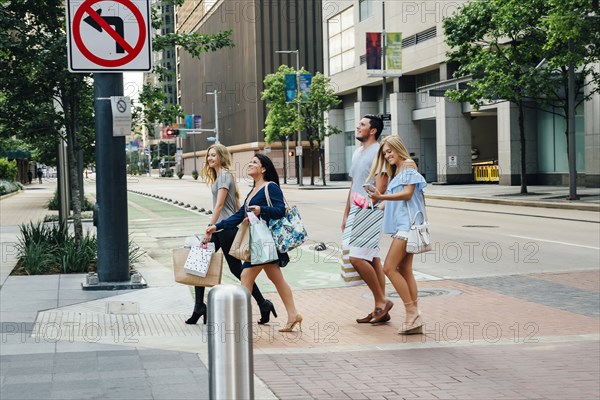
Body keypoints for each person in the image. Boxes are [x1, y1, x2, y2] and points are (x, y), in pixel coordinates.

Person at [206, 154, 302, 332]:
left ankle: (241, 323)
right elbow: (238, 215)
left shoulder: (270, 187)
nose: (250, 164)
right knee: (277, 279)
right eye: (250, 162)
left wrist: (261, 210)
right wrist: (217, 226)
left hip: (263, 242)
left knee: (246, 276)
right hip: (259, 243)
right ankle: (293, 314)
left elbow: (280, 210)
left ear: (263, 169)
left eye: (254, 163)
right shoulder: (253, 190)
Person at [186, 144, 276, 325]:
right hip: (222, 229)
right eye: (208, 155)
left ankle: (263, 303)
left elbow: (219, 205)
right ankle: (198, 306)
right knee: (200, 261)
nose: (210, 158)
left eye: (213, 155)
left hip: (224, 230)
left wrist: (209, 228)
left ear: (221, 156)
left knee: (237, 270)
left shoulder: (225, 176)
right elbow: (236, 204)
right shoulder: (221, 176)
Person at [366, 135, 427, 334]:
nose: (388, 155)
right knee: (405, 269)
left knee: (389, 268)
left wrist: (382, 196)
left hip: (407, 226)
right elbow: (395, 201)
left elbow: (408, 194)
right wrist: (376, 203)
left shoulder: (408, 165)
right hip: (402, 225)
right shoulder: (397, 171)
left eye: (390, 151)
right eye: (385, 153)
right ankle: (415, 315)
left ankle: (411, 312)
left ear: (398, 148)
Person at [342, 114, 394, 324]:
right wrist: (346, 213)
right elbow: (354, 184)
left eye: (362, 124)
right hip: (356, 210)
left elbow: (382, 183)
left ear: (373, 130)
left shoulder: (379, 152)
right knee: (372, 259)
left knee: (356, 258)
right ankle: (379, 309)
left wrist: (373, 207)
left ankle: (382, 301)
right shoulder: (356, 153)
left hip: (370, 210)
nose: (358, 126)